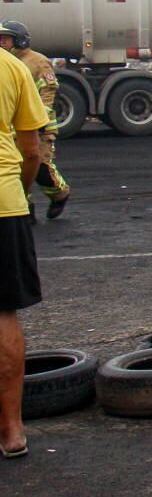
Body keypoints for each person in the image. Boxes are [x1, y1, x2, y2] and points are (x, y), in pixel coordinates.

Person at [0, 43, 49, 460]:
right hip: (3, 202)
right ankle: (12, 430)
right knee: (3, 313)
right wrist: (22, 190)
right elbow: (31, 148)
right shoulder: (11, 68)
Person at [0, 22, 69, 218]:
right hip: (13, 129)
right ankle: (25, 206)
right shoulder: (6, 62)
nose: (1, 42)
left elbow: (48, 92)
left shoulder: (37, 62)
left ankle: (60, 194)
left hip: (39, 128)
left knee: (40, 168)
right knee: (16, 168)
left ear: (20, 39)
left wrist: (37, 120)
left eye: (6, 38)